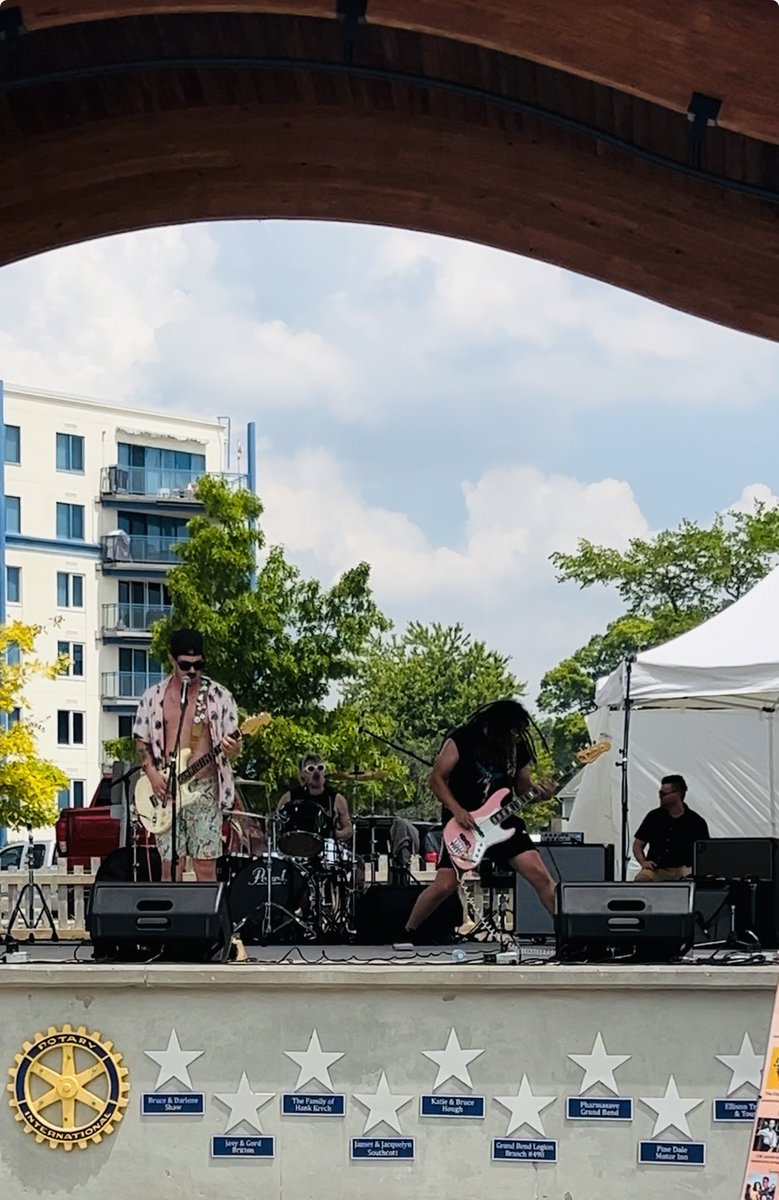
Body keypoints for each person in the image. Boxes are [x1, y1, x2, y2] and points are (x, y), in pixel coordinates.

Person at [403, 699, 556, 940]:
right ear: (499, 727)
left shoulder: (519, 748)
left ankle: (568, 932)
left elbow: (523, 790)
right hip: (464, 825)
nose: (517, 738)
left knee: (540, 874)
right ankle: (407, 932)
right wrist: (457, 810)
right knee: (445, 884)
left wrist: (543, 795)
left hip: (503, 822)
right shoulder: (463, 738)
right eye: (513, 732)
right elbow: (436, 778)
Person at [133, 628, 242, 882]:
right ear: (172, 659)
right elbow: (141, 742)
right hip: (165, 789)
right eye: (185, 665)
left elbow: (234, 747)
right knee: (170, 866)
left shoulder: (219, 697)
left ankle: (205, 920)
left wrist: (232, 748)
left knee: (205, 865)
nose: (192, 671)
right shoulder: (152, 698)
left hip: (204, 788)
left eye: (198, 665)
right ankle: (171, 920)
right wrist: (152, 775)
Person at [632, 774, 709, 882]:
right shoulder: (654, 817)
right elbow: (638, 844)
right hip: (657, 868)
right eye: (660, 793)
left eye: (663, 793)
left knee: (694, 882)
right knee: (641, 880)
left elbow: (705, 853)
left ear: (677, 794)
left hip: (685, 868)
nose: (660, 796)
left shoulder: (696, 821)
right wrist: (643, 862)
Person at [277, 754, 353, 844]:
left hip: (326, 850)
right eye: (311, 769)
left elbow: (348, 828)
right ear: (303, 774)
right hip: (296, 848)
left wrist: (335, 834)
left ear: (324, 772)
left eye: (320, 768)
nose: (316, 772)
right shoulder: (289, 797)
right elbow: (275, 822)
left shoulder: (336, 799)